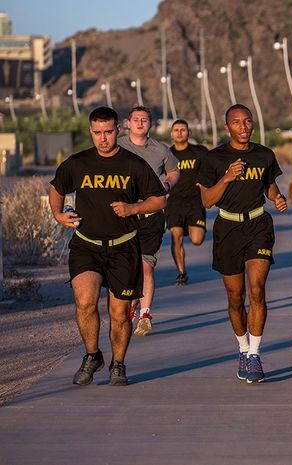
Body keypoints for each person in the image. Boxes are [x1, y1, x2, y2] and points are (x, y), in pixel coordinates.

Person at [48, 106, 166, 386]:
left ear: (118, 130)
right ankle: (92, 355)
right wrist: (57, 214)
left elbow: (159, 200)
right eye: (97, 132)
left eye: (109, 132)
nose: (103, 138)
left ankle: (118, 363)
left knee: (119, 313)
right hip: (86, 246)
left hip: (124, 248)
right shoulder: (77, 163)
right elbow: (57, 188)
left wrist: (133, 208)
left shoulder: (133, 165)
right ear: (91, 131)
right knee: (85, 303)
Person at [196, 104, 288, 384]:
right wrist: (227, 177)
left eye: (248, 121)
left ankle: (255, 355)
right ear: (228, 128)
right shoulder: (214, 158)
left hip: (258, 225)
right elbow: (207, 201)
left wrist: (277, 197)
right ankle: (242, 349)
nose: (244, 126)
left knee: (257, 290)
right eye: (237, 122)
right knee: (236, 298)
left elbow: (269, 185)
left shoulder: (264, 155)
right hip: (227, 227)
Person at [118, 106, 180, 336]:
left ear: (150, 124)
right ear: (127, 122)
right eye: (136, 119)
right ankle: (132, 300)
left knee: (145, 266)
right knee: (125, 268)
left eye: (144, 119)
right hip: (123, 214)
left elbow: (174, 172)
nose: (140, 123)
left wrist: (167, 185)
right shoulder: (119, 146)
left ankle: (144, 314)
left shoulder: (161, 150)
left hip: (152, 215)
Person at [167, 119, 208, 285]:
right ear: (171, 134)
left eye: (182, 130)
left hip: (195, 202)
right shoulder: (166, 154)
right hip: (174, 203)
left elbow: (212, 169)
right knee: (176, 237)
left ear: (188, 133)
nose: (179, 133)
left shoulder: (199, 152)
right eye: (176, 130)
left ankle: (188, 227)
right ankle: (181, 272)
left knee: (197, 240)